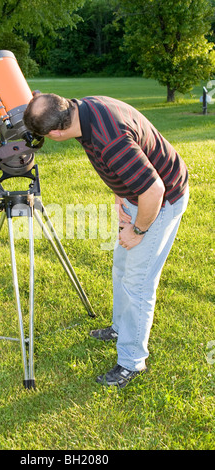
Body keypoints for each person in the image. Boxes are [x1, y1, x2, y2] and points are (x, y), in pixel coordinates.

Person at [23, 93, 189, 388]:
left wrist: (138, 230)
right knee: (122, 267)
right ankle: (120, 327)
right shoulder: (79, 110)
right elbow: (122, 165)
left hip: (161, 200)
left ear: (58, 133)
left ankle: (131, 362)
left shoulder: (110, 141)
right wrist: (121, 198)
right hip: (137, 195)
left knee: (138, 282)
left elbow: (154, 190)